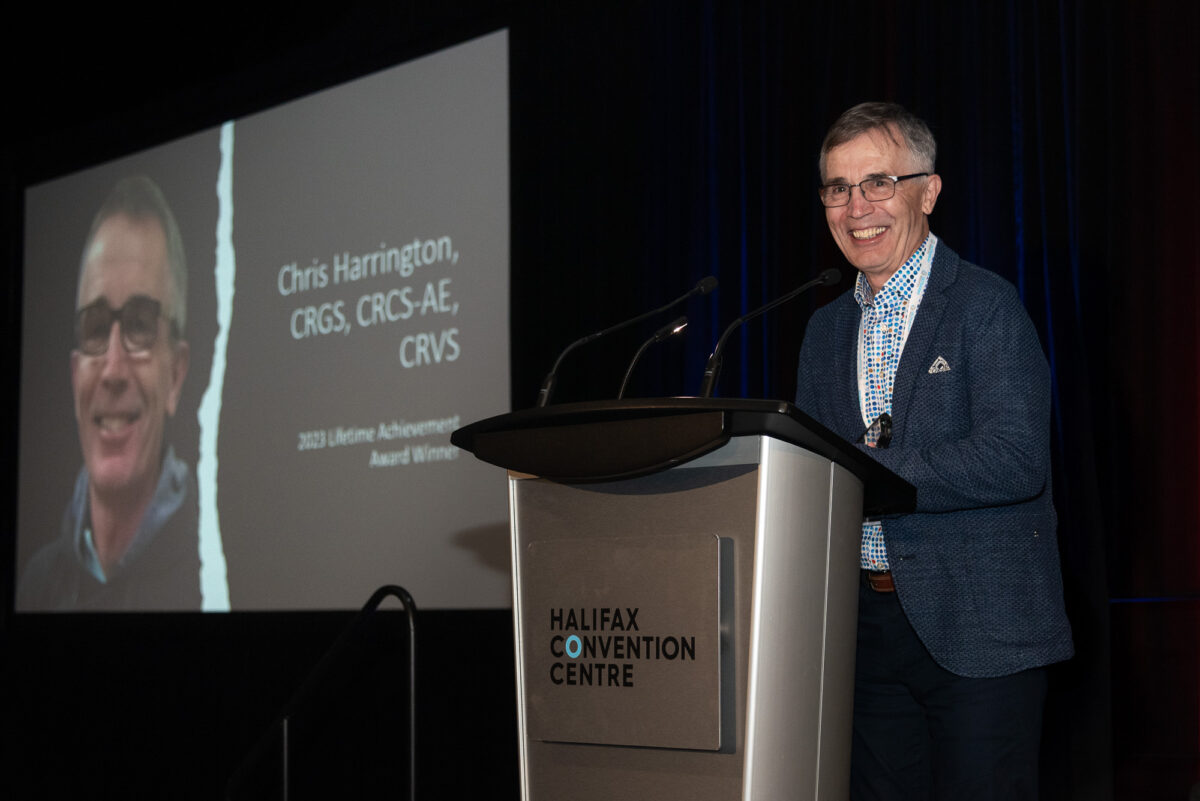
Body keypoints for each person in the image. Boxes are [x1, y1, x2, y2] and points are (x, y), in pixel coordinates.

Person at [794, 102, 1074, 799]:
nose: (857, 206)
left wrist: (871, 467)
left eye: (878, 182)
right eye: (838, 187)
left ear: (929, 190)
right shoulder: (823, 329)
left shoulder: (985, 304)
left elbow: (1015, 459)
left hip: (978, 631)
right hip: (865, 636)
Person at [18, 175, 198, 611]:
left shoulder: (216, 572)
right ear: (74, 373)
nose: (113, 370)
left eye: (139, 324)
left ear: (175, 375)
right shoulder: (33, 588)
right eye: (96, 329)